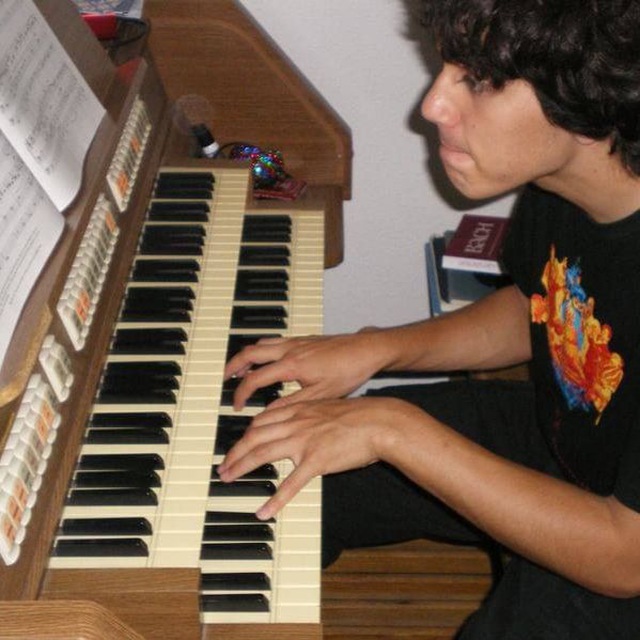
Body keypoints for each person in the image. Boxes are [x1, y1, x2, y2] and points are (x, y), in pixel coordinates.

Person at [217, 0, 640, 636]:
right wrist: (380, 348)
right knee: (277, 462)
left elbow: (625, 558)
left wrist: (395, 429)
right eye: (448, 68)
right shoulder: (565, 181)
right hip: (569, 438)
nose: (433, 105)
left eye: (480, 80)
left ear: (591, 91)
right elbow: (541, 306)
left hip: (620, 542)